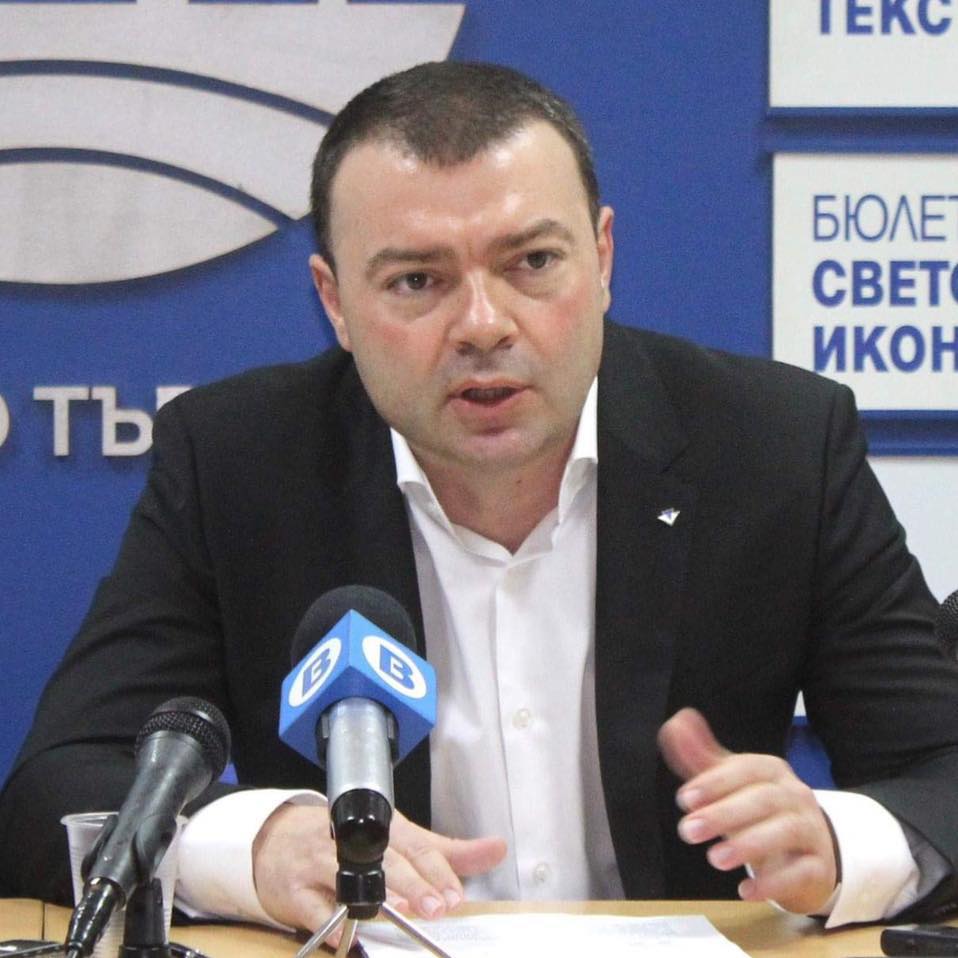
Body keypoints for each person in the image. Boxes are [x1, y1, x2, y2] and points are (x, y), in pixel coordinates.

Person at [3, 61, 958, 937]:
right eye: (417, 280)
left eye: (531, 263)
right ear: (335, 303)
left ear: (603, 257)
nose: (483, 325)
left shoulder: (776, 446)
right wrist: (259, 845)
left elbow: (941, 768)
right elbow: (54, 791)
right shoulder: (238, 463)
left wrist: (841, 846)